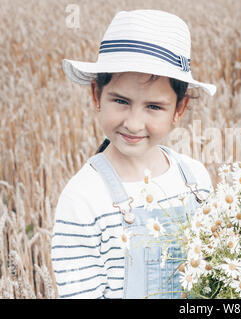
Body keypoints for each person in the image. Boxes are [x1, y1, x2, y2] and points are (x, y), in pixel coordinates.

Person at [51, 9, 216, 299]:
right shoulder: (84, 198)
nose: (134, 123)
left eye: (154, 106)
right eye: (121, 101)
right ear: (96, 95)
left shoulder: (195, 179)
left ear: (179, 109)